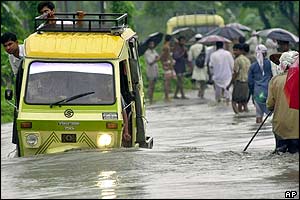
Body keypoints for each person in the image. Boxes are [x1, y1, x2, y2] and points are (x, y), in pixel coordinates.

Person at [266, 51, 299, 154]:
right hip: (297, 127)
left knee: (281, 156)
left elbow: (269, 105)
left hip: (280, 127)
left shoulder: (275, 80)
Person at [248, 44, 273, 123]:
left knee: (259, 115)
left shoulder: (253, 66)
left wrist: (252, 94)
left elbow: (250, 82)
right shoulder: (271, 64)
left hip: (258, 93)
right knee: (274, 114)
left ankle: (260, 134)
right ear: (265, 53)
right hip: (269, 92)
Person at [227, 43, 251, 113]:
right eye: (233, 50)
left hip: (239, 83)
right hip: (247, 83)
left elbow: (235, 73)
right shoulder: (247, 59)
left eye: (236, 50)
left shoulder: (237, 60)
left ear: (240, 51)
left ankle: (238, 117)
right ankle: (245, 119)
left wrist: (229, 84)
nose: (234, 52)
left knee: (234, 102)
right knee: (244, 103)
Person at [188, 33, 208, 99]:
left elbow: (190, 59)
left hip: (196, 65)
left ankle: (199, 89)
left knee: (198, 79)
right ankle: (202, 92)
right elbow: (207, 57)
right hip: (204, 65)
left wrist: (190, 67)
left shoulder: (192, 47)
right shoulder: (205, 47)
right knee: (203, 79)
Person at [144, 40, 160, 104]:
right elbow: (150, 62)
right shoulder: (147, 53)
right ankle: (150, 99)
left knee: (153, 85)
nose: (152, 45)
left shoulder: (154, 51)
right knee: (151, 85)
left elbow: (158, 57)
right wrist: (156, 59)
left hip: (155, 69)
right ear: (148, 45)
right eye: (151, 44)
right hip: (150, 70)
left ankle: (152, 99)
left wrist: (157, 59)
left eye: (153, 44)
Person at [160, 34, 174, 102]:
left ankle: (166, 96)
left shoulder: (165, 46)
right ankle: (167, 97)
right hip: (167, 64)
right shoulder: (166, 47)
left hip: (166, 64)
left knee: (167, 81)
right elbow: (163, 56)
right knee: (167, 82)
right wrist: (168, 63)